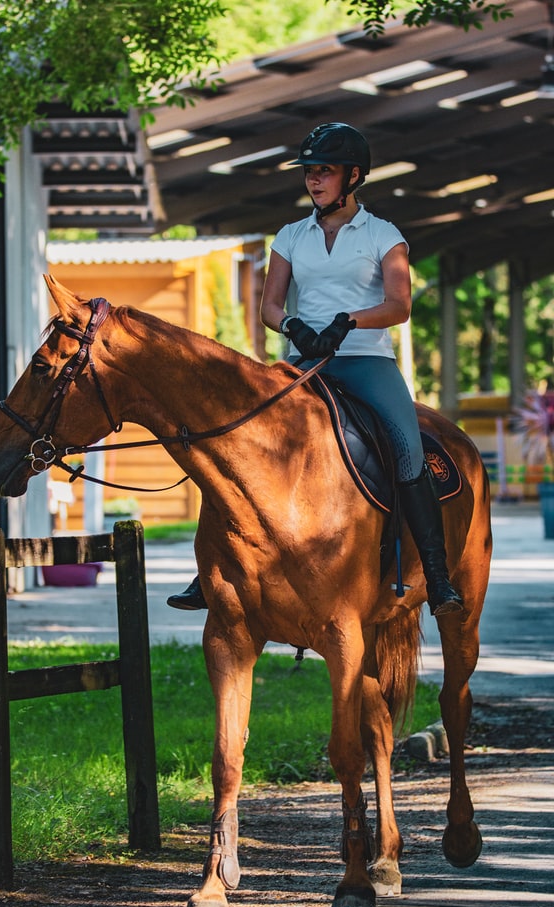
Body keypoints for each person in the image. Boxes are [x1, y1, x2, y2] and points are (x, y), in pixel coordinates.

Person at [167, 122, 462, 617]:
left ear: (353, 176)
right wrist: (295, 327)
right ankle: (211, 568)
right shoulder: (290, 236)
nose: (313, 180)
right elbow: (269, 307)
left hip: (367, 358)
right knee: (241, 442)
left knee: (407, 449)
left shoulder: (384, 235)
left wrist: (349, 321)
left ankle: (437, 574)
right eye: (309, 172)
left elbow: (399, 305)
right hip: (308, 360)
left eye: (323, 171)